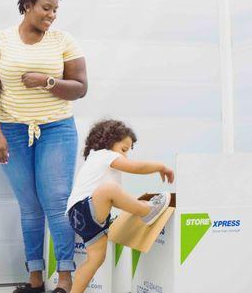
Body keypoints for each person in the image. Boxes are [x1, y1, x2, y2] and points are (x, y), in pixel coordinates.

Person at [0, 0, 88, 293]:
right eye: (46, 8)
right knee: (29, 206)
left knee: (55, 202)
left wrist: (47, 81)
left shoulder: (63, 41)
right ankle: (35, 278)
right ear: (27, 5)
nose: (51, 15)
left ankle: (65, 279)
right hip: (12, 131)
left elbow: (80, 87)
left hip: (56, 129)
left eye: (55, 10)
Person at [66, 119, 174, 293]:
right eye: (124, 150)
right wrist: (160, 166)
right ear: (108, 142)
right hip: (83, 208)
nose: (125, 156)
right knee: (110, 189)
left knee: (95, 260)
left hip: (80, 218)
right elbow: (136, 168)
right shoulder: (105, 155)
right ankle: (146, 211)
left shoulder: (95, 159)